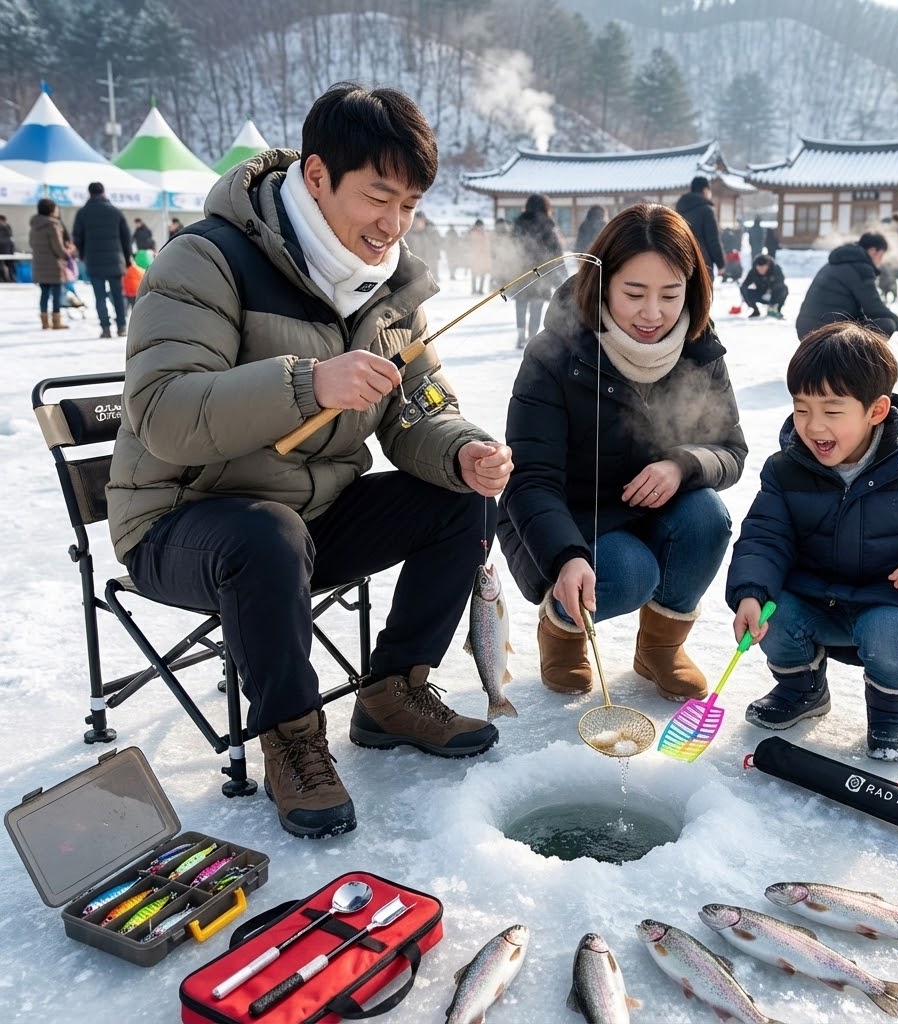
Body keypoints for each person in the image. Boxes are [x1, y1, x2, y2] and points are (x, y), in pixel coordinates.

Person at [106, 82, 513, 840]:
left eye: (411, 206)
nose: (392, 226)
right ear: (318, 176)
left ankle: (394, 690)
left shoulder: (391, 293)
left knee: (459, 497)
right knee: (268, 535)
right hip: (181, 525)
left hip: (308, 519)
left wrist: (463, 451)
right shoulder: (206, 260)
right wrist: (304, 383)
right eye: (378, 198)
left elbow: (422, 406)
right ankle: (292, 740)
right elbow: (162, 415)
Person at [497, 203, 747, 701]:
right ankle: (562, 631)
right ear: (603, 284)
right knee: (630, 572)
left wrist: (682, 464)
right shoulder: (556, 354)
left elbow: (731, 450)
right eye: (634, 293)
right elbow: (530, 479)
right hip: (565, 521)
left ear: (691, 290)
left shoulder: (699, 349)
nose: (652, 313)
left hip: (653, 510)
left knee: (706, 518)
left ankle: (660, 648)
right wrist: (564, 556)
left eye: (670, 295)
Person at [726, 322, 898, 761]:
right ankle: (802, 690)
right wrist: (751, 593)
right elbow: (765, 536)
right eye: (801, 409)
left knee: (887, 630)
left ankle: (892, 713)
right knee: (776, 612)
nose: (813, 426)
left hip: (893, 604)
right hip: (816, 597)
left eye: (832, 411)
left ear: (876, 410)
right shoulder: (786, 468)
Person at [794, 232, 898, 342]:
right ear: (873, 251)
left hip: (806, 329)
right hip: (828, 332)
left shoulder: (838, 263)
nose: (881, 262)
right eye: (881, 255)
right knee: (887, 324)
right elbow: (875, 309)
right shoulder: (860, 268)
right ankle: (859, 362)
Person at [72, 181, 133, 338]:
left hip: (93, 261)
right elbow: (126, 238)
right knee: (118, 295)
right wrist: (126, 259)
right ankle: (121, 326)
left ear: (89, 193)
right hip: (115, 260)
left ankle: (105, 328)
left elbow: (77, 238)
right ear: (104, 192)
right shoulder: (115, 211)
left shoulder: (83, 213)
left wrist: (84, 255)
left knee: (99, 297)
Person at [511, 192, 564, 349]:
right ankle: (531, 337)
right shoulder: (548, 225)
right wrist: (562, 277)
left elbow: (510, 248)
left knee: (521, 303)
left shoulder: (518, 223)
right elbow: (556, 253)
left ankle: (520, 334)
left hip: (521, 272)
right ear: (546, 207)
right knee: (536, 304)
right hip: (542, 273)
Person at [29, 197, 70, 330]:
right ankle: (56, 321)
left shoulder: (34, 225)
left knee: (44, 293)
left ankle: (44, 322)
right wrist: (66, 254)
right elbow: (57, 247)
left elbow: (31, 244)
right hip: (53, 265)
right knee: (56, 294)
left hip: (39, 264)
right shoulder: (53, 225)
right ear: (51, 210)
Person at [675, 175, 725, 278]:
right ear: (705, 190)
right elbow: (713, 241)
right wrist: (721, 264)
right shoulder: (706, 210)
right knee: (703, 294)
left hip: (682, 262)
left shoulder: (679, 209)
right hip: (703, 263)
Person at [740, 254, 788, 318]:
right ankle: (755, 311)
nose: (761, 270)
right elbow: (745, 284)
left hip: (774, 293)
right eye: (759, 268)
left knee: (784, 289)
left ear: (767, 265)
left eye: (763, 267)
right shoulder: (753, 272)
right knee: (744, 290)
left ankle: (777, 310)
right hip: (760, 293)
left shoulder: (776, 269)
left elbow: (781, 282)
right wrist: (744, 295)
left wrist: (770, 289)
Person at [404, 209, 442, 280]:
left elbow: (438, 242)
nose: (418, 223)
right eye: (416, 221)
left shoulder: (431, 230)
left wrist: (437, 254)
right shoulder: (409, 231)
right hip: (416, 259)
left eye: (420, 221)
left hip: (430, 256)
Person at [122, 248, 153, 313]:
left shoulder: (124, 270)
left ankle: (124, 314)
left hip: (128, 293)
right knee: (136, 308)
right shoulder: (137, 269)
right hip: (137, 291)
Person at [467, 218, 491, 294]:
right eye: (479, 226)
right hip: (475, 257)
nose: (480, 227)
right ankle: (474, 289)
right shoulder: (473, 233)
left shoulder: (484, 233)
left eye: (481, 226)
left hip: (482, 257)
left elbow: (487, 245)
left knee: (482, 274)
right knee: (474, 274)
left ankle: (480, 289)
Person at [0, 214, 15, 283]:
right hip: (8, 249)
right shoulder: (7, 227)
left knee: (2, 265)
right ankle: (11, 279)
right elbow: (11, 238)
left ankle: (3, 279)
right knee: (9, 266)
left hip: (5, 249)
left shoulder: (6, 227)